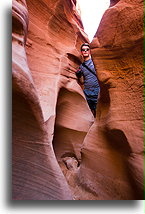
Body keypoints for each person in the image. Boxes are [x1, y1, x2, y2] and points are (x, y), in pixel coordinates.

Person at [76, 43, 100, 117]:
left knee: (98, 113)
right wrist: (79, 75)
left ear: (90, 51)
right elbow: (82, 81)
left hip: (97, 91)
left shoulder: (95, 62)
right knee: (89, 115)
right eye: (83, 50)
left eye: (87, 49)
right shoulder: (81, 66)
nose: (85, 51)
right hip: (87, 92)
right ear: (81, 52)